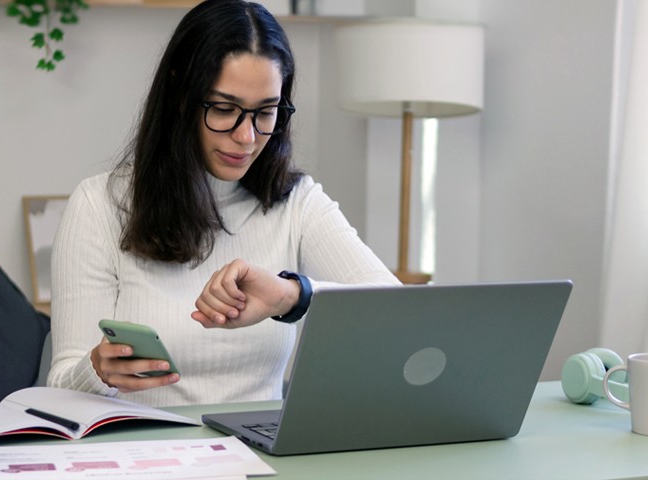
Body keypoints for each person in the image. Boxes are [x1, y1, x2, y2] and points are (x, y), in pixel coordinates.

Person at [45, 0, 398, 408]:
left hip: (258, 461)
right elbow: (60, 388)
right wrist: (97, 370)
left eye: (266, 112)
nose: (247, 136)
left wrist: (291, 295)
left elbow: (396, 312)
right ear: (181, 96)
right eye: (225, 109)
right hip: (147, 458)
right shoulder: (98, 206)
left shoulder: (297, 202)